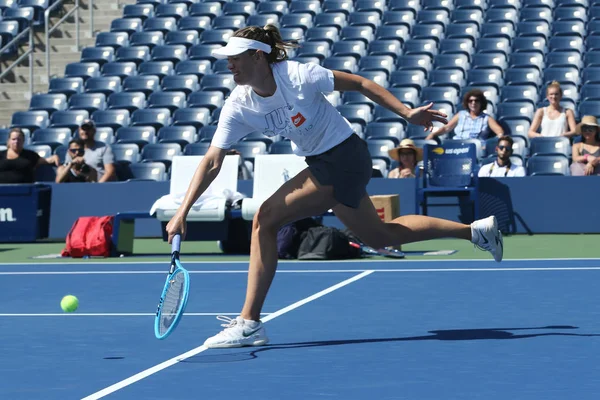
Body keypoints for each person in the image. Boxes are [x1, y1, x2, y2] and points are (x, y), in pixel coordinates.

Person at [165, 25, 504, 349]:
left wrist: (405, 113)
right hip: (323, 163)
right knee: (380, 236)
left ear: (259, 57)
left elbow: (358, 83)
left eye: (237, 56)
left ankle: (249, 322)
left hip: (345, 155)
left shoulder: (299, 75)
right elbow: (212, 160)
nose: (230, 64)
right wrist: (183, 211)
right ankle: (475, 232)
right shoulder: (239, 105)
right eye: (229, 57)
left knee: (264, 219)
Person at [425, 89, 504, 142]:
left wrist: (487, 144)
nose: (473, 103)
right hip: (458, 144)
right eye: (470, 101)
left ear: (481, 103)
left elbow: (499, 132)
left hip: (475, 146)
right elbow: (446, 128)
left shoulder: (486, 118)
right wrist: (433, 134)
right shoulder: (461, 114)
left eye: (476, 101)